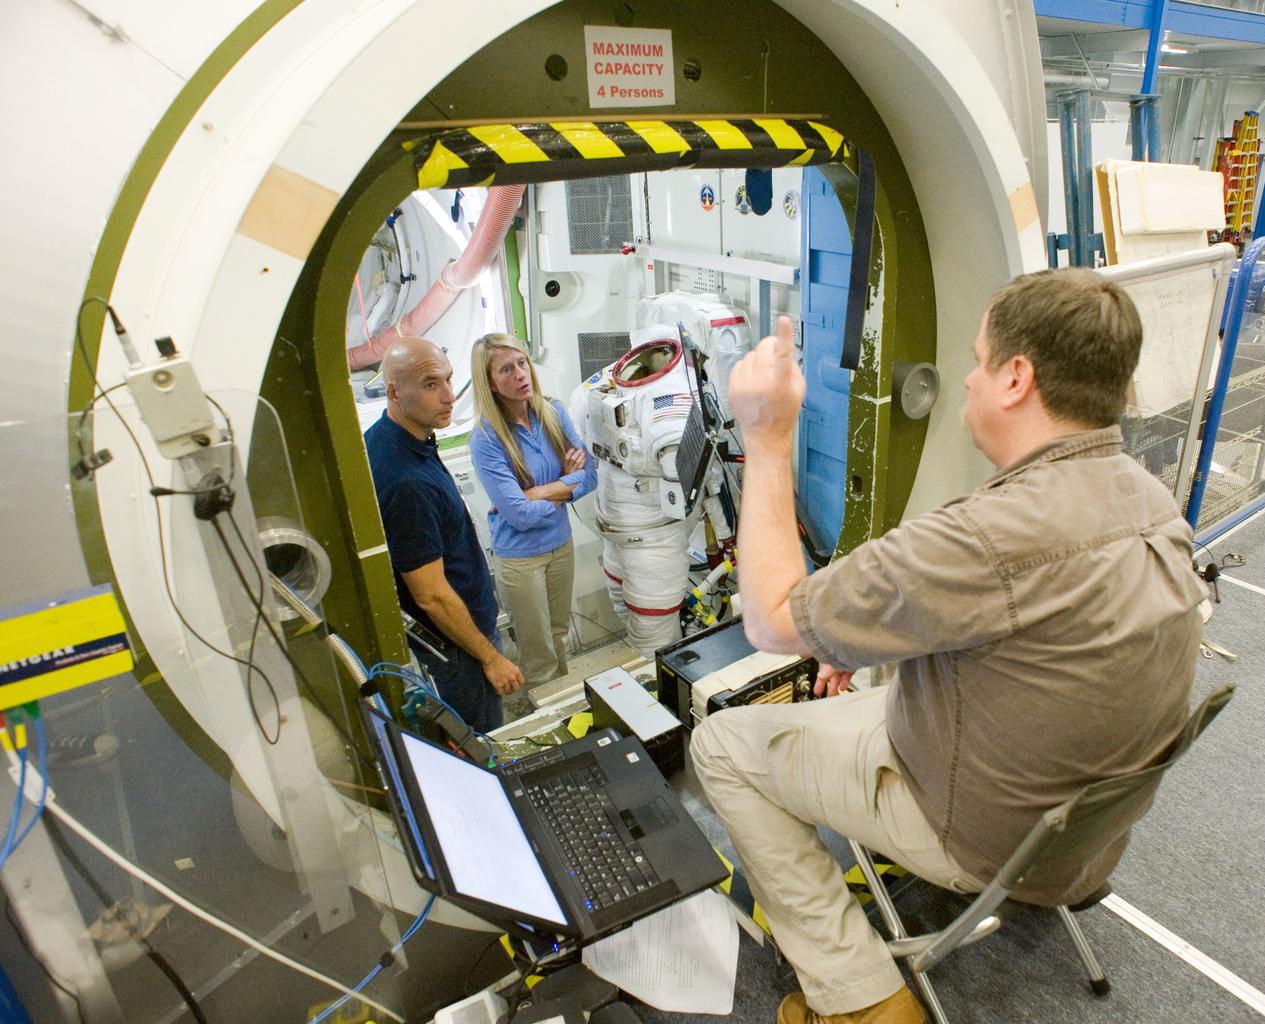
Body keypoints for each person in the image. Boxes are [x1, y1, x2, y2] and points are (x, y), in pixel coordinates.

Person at [689, 269, 1208, 1024]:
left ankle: (858, 997)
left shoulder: (983, 540)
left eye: (977, 360)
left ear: (1016, 378)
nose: (966, 378)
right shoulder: (1152, 500)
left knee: (721, 745)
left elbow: (770, 621)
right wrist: (858, 637)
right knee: (867, 681)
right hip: (1082, 835)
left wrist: (767, 438)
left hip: (983, 837)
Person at [364, 336, 524, 733]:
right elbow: (431, 595)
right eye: (431, 384)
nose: (450, 396)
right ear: (394, 393)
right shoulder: (406, 481)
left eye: (449, 380)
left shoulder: (394, 438)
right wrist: (491, 658)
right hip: (459, 649)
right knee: (479, 739)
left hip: (460, 633)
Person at [469, 333, 597, 687]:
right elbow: (519, 516)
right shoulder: (486, 439)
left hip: (560, 544)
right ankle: (548, 709)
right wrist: (565, 484)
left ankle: (566, 701)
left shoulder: (553, 412)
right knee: (538, 650)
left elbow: (590, 475)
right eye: (506, 370)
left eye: (522, 363)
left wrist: (539, 491)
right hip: (520, 558)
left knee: (559, 634)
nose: (520, 374)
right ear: (490, 383)